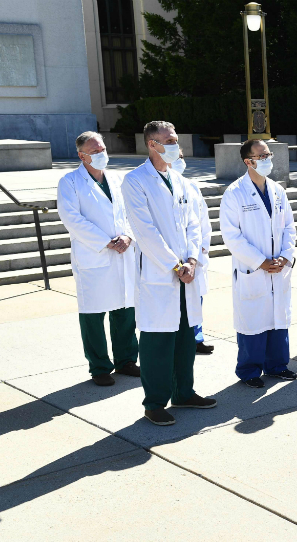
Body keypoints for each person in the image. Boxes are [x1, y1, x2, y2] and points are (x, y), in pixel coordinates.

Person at [122, 120, 218, 426]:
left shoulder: (180, 180)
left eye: (175, 139)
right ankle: (154, 403)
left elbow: (193, 223)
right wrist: (174, 265)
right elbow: (144, 231)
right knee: (158, 342)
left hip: (185, 272)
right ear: (153, 144)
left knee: (186, 339)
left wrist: (191, 260)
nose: (176, 145)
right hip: (160, 275)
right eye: (170, 140)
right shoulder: (135, 181)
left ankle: (184, 392)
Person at [57, 131, 140, 387]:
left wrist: (127, 235)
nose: (101, 154)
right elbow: (72, 219)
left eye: (102, 149)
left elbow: (130, 212)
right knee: (93, 314)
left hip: (122, 252)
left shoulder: (116, 179)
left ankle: (126, 360)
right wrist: (106, 241)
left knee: (125, 309)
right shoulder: (69, 182)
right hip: (94, 255)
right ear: (82, 156)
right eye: (95, 151)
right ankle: (99, 366)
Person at [218, 139, 297, 388]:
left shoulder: (277, 190)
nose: (267, 160)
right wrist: (260, 261)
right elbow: (231, 236)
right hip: (253, 268)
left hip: (278, 266)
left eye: (268, 154)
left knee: (277, 318)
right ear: (248, 161)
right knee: (253, 321)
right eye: (261, 156)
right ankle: (249, 370)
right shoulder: (234, 193)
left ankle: (277, 366)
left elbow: (288, 227)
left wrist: (285, 255)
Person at [170, 150, 214, 355]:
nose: (180, 161)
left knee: (197, 299)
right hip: (176, 257)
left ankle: (197, 338)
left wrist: (202, 247)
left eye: (182, 156)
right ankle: (184, 340)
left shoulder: (192, 186)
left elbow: (203, 220)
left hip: (196, 254)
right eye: (176, 156)